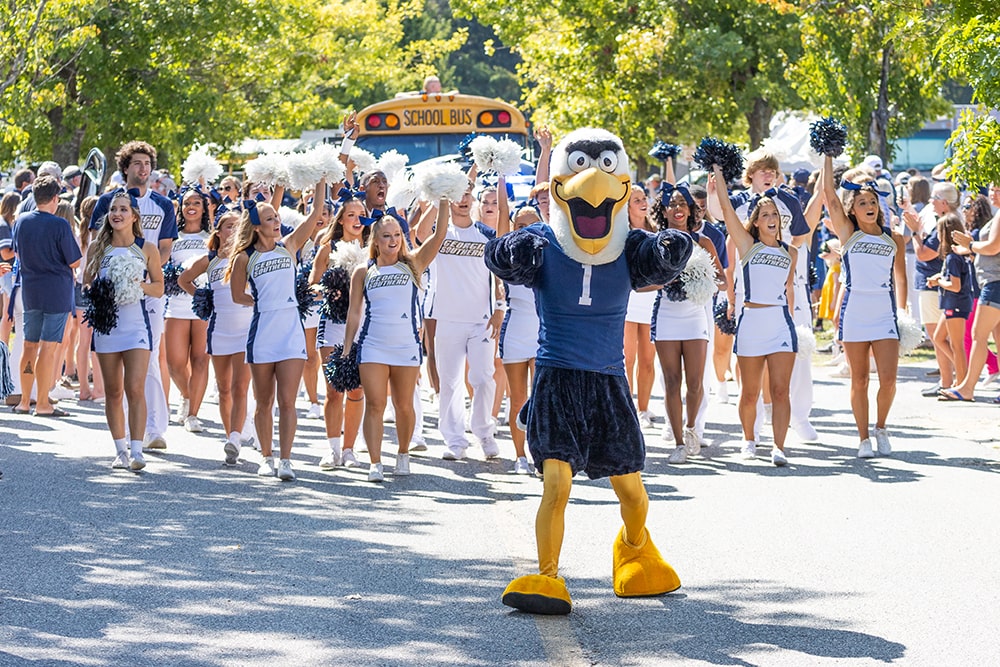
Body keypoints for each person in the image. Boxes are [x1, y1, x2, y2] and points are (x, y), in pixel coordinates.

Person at [226, 178, 327, 481]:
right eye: (270, 218)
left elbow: (316, 212)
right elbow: (236, 295)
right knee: (264, 400)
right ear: (257, 226)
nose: (277, 221)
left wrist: (320, 175)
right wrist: (261, 301)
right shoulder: (245, 257)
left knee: (287, 401)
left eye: (278, 216)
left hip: (290, 331)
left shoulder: (290, 245)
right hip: (263, 331)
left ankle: (286, 460)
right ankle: (266, 457)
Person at [343, 202, 449, 481]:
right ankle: (375, 463)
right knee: (375, 404)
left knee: (404, 406)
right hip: (373, 345)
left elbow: (438, 237)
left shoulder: (412, 264)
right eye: (386, 236)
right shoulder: (363, 272)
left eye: (397, 235)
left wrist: (444, 199)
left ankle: (402, 453)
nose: (392, 241)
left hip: (406, 346)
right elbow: (354, 313)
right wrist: (346, 348)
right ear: (375, 241)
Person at [89, 141, 177, 451]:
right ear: (126, 168)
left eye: (147, 163)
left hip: (148, 291)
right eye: (137, 163)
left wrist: (141, 270)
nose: (143, 168)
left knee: (149, 361)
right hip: (111, 296)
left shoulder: (164, 205)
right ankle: (122, 438)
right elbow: (95, 246)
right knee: (116, 381)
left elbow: (165, 247)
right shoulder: (106, 203)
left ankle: (153, 429)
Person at [820, 154, 908, 458]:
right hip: (855, 313)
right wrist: (827, 155)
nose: (869, 207)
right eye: (862, 203)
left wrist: (903, 310)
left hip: (884, 314)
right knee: (859, 378)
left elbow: (900, 277)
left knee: (889, 379)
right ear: (852, 210)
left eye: (873, 202)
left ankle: (881, 427)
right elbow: (829, 197)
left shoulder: (893, 238)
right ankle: (863, 439)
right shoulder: (848, 234)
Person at [711, 165, 796, 465]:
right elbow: (725, 208)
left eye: (774, 215)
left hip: (781, 324)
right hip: (751, 323)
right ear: (756, 222)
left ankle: (780, 447)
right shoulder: (747, 246)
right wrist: (718, 172)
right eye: (765, 216)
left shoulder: (791, 252)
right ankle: (749, 440)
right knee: (749, 393)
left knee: (781, 391)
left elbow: (789, 290)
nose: (771, 219)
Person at [85, 189, 164, 470]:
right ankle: (119, 450)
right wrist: (100, 292)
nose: (117, 213)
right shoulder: (98, 247)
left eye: (123, 209)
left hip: (136, 327)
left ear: (134, 216)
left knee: (135, 388)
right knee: (114, 391)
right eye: (113, 209)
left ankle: (137, 451)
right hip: (107, 326)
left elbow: (159, 287)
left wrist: (135, 286)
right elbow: (86, 284)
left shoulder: (146, 248)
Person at [651, 182, 725, 465]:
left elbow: (723, 280)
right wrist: (666, 280)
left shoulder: (703, 242)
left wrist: (700, 280)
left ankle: (693, 428)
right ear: (664, 210)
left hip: (695, 316)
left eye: (683, 204)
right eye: (672, 204)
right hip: (667, 315)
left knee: (695, 382)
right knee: (671, 381)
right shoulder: (654, 242)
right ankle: (679, 441)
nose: (678, 209)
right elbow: (641, 284)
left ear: (691, 209)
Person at [429, 182, 503, 461]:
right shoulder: (440, 235)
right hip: (448, 318)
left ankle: (484, 432)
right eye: (456, 195)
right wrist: (439, 200)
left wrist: (499, 308)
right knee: (449, 382)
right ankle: (455, 440)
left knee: (483, 378)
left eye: (467, 195)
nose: (463, 200)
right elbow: (420, 233)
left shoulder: (486, 235)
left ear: (473, 199)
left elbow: (498, 275)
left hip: (481, 320)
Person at [179, 209, 253, 463]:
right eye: (229, 226)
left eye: (237, 226)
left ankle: (234, 437)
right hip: (219, 329)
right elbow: (184, 280)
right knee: (224, 389)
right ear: (219, 232)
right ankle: (229, 436)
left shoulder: (246, 257)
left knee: (240, 386)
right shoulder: (208, 260)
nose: (233, 230)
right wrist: (202, 298)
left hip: (245, 329)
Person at [10, 175, 82, 417]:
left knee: (29, 346)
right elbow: (74, 260)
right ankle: (42, 403)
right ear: (54, 198)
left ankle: (23, 401)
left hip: (31, 289)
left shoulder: (21, 221)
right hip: (56, 291)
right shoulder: (60, 225)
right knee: (48, 348)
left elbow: (16, 254)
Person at [309, 193, 369, 469]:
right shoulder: (328, 248)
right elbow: (312, 284)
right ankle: (332, 448)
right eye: (351, 215)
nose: (356, 220)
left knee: (357, 390)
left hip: (365, 324)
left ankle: (349, 450)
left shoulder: (374, 248)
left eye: (360, 215)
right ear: (341, 220)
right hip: (333, 323)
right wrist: (329, 291)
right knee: (334, 390)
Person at [495, 176, 541, 474]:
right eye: (519, 226)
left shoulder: (549, 255)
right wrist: (501, 176)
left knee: (540, 399)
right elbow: (501, 217)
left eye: (531, 226)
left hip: (542, 335)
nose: (525, 232)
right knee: (518, 398)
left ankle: (541, 455)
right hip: (514, 332)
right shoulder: (506, 256)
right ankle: (519, 456)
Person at [943, 184, 1000, 402]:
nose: (993, 194)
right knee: (996, 337)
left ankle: (967, 388)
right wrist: (970, 248)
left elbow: (994, 247)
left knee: (978, 335)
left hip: (994, 283)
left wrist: (972, 245)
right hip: (992, 282)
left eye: (998, 190)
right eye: (993, 189)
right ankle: (966, 387)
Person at [164, 187, 211, 432]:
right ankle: (186, 394)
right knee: (175, 363)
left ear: (204, 208)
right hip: (177, 304)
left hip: (204, 306)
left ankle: (193, 414)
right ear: (180, 208)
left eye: (196, 202)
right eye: (186, 203)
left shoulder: (211, 236)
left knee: (201, 360)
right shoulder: (173, 238)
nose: (191, 206)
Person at [623, 184, 657, 428]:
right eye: (636, 199)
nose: (643, 203)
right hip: (626, 301)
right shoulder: (620, 233)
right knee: (628, 359)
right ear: (626, 206)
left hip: (652, 301)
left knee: (648, 360)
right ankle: (627, 408)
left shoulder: (656, 232)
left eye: (644, 198)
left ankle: (643, 409)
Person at [928, 214, 974, 396]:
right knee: (939, 338)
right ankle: (961, 373)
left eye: (939, 232)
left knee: (957, 344)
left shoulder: (953, 257)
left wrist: (939, 282)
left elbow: (954, 286)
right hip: (951, 303)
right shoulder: (953, 256)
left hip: (956, 303)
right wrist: (939, 279)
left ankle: (962, 382)